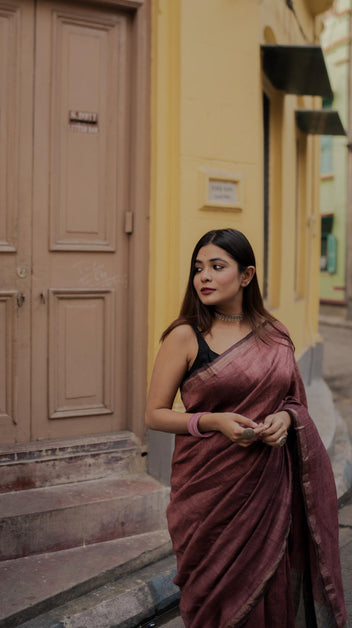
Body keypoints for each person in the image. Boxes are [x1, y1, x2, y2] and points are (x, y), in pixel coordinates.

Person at [145, 228, 347, 628]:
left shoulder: (274, 335)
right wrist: (213, 422)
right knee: (212, 597)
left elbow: (293, 400)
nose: (203, 276)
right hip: (207, 495)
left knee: (268, 590)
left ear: (246, 276)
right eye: (198, 268)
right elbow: (154, 414)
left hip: (267, 489)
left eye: (217, 267)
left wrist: (287, 419)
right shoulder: (185, 336)